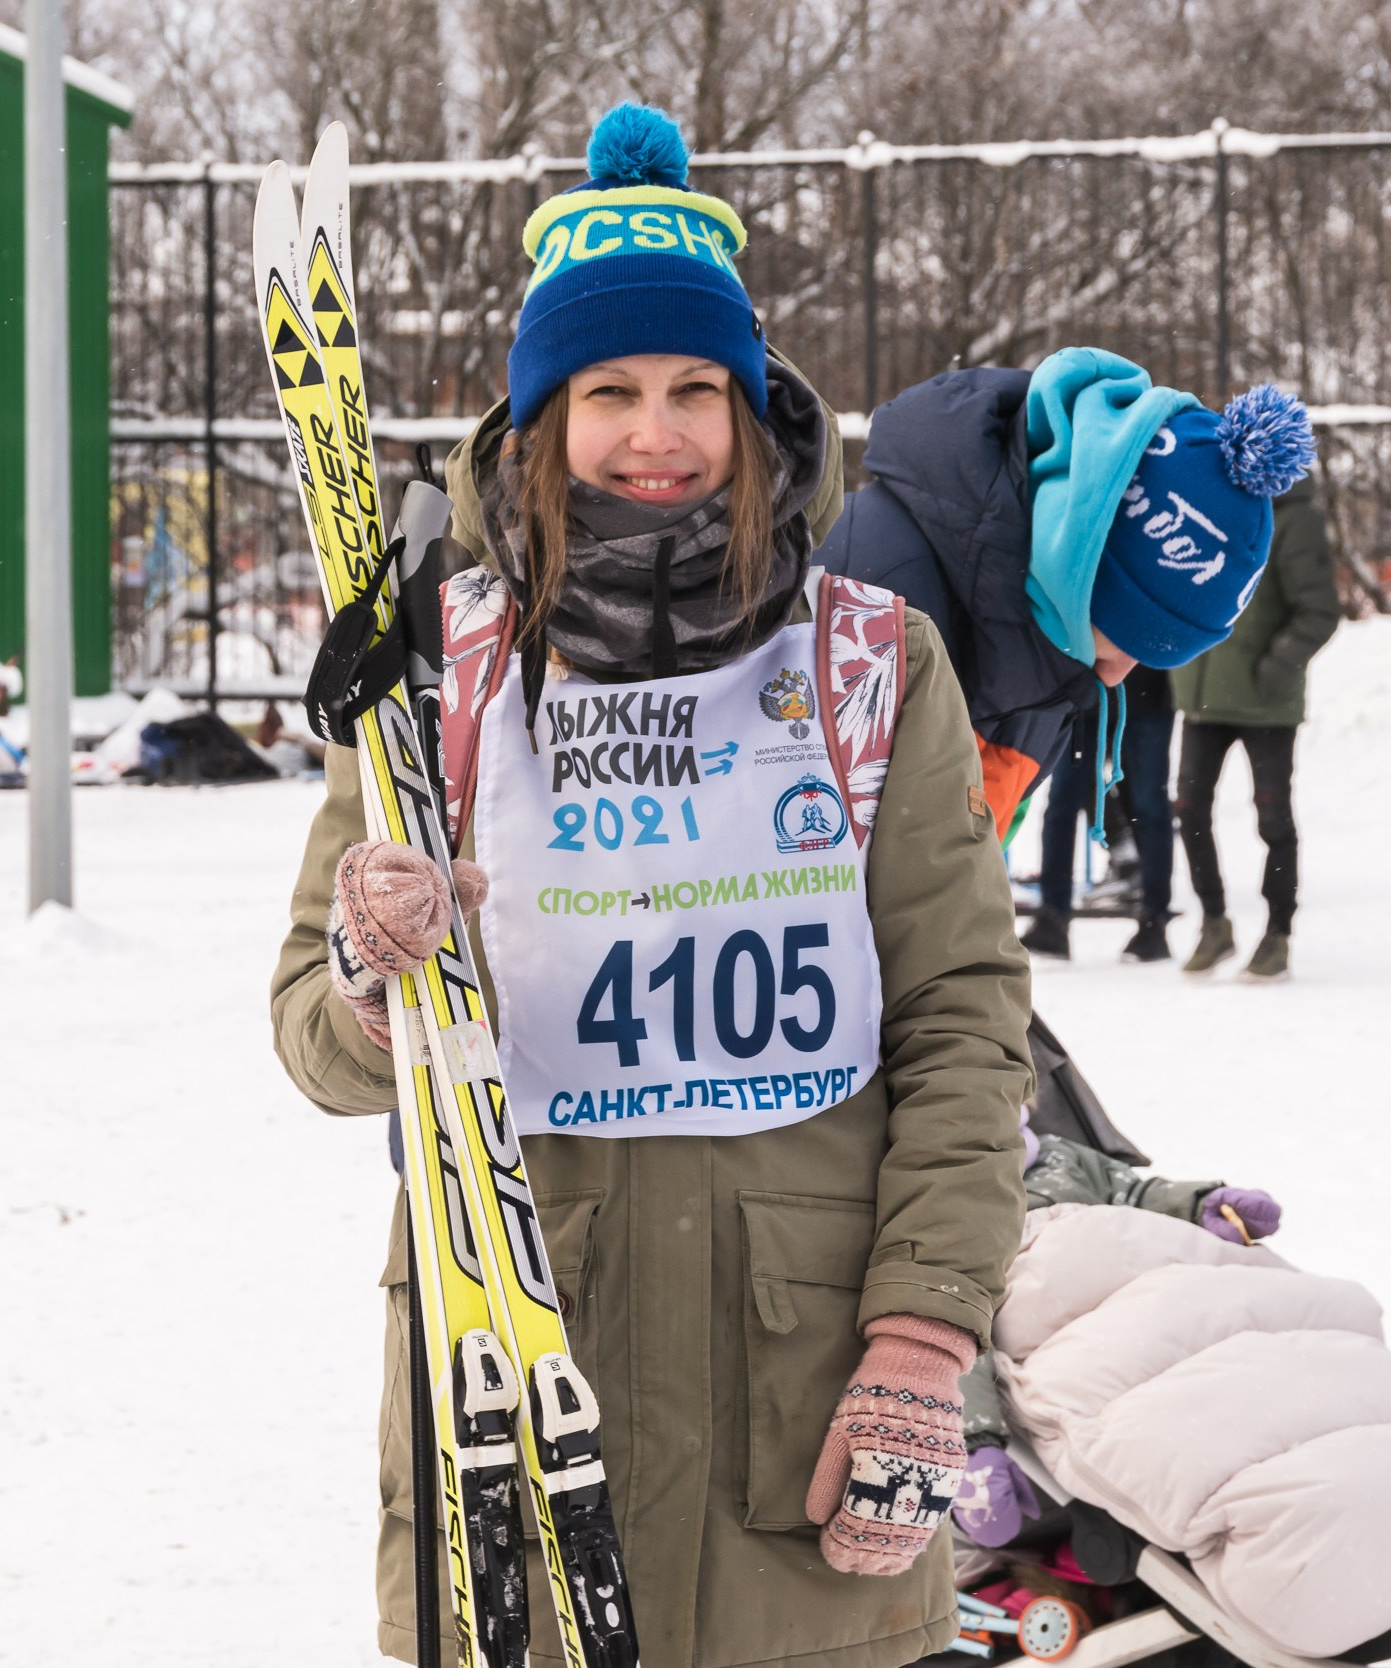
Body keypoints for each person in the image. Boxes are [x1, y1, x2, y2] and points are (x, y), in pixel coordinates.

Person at [269, 105, 1031, 1668]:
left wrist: (923, 1334)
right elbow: (309, 1035)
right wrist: (371, 973)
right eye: (608, 392)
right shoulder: (438, 672)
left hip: (807, 1396)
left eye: (697, 390)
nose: (656, 433)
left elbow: (963, 1021)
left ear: (753, 412)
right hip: (523, 1404)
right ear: (544, 421)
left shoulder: (873, 661)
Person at [813, 350, 1316, 855]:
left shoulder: (1047, 658)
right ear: (1081, 563)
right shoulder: (869, 596)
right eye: (1127, 636)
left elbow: (966, 881)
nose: (1118, 673)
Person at [951, 1108, 1281, 1549]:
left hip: (1172, 1298)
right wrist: (972, 1442)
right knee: (1190, 1445)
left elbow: (1133, 1193)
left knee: (1280, 1356)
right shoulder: (944, 1218)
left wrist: (1197, 1206)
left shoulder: (1058, 1157)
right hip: (1088, 1344)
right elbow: (950, 1318)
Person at [1170, 474, 1342, 981]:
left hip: (1266, 702)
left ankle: (1278, 933)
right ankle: (1215, 923)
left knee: (1272, 819)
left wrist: (1273, 668)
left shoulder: (1294, 519)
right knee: (1190, 810)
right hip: (1203, 696)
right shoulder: (1208, 507)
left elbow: (1319, 610)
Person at [1021, 663, 1176, 961]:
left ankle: (1154, 919)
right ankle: (1053, 916)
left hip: (1146, 692)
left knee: (1149, 807)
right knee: (1061, 806)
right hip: (1084, 693)